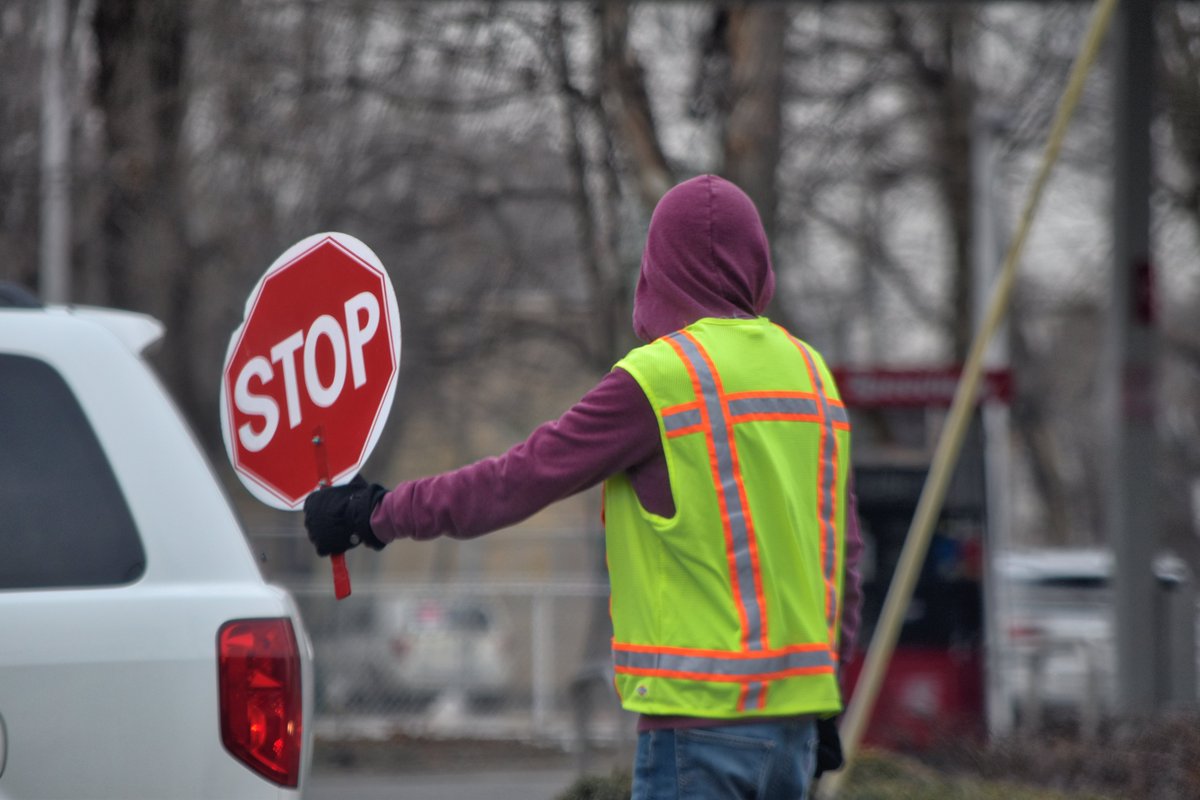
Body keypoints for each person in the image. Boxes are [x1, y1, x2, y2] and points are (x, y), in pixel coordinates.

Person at [304, 174, 863, 800]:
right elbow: (842, 557)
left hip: (698, 730)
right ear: (759, 265)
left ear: (659, 272)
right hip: (795, 727)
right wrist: (829, 697)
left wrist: (375, 513)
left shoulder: (663, 378)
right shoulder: (812, 377)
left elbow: (518, 479)